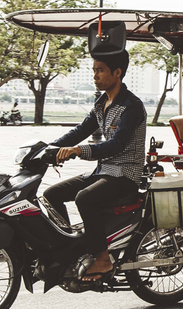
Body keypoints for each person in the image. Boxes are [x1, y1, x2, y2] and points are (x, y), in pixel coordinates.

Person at [43, 50, 147, 282]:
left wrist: (80, 151)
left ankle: (102, 259)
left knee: (85, 197)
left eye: (100, 70)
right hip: (103, 171)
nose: (95, 76)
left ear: (117, 73)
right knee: (51, 194)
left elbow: (116, 144)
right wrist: (48, 148)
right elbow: (81, 130)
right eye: (94, 71)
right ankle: (67, 248)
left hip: (124, 175)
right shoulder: (101, 103)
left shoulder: (132, 106)